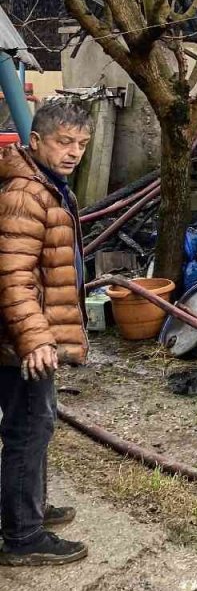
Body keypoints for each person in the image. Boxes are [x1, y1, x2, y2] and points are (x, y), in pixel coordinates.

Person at [0, 101, 92, 566]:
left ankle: (29, 508)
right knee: (29, 428)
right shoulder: (25, 192)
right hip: (18, 340)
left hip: (27, 334)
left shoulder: (49, 186)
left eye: (81, 143)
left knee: (38, 422)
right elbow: (12, 274)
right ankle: (22, 536)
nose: (74, 152)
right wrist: (35, 339)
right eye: (63, 141)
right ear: (36, 142)